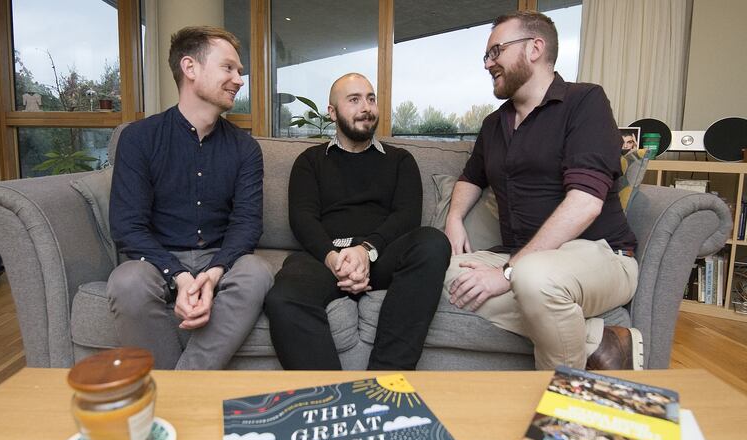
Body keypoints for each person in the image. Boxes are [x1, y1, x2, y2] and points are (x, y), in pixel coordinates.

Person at [443, 11, 643, 371]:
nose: (489, 63)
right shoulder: (494, 124)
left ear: (534, 48)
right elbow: (471, 177)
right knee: (431, 272)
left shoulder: (585, 102)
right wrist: (454, 219)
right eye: (487, 56)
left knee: (533, 277)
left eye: (496, 51)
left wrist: (506, 274)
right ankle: (597, 340)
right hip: (521, 256)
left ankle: (564, 401)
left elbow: (585, 204)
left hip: (601, 255)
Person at [107, 26, 273, 370]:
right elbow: (128, 226)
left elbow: (246, 225)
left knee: (257, 272)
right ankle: (185, 389)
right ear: (190, 68)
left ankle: (180, 386)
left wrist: (213, 274)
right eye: (229, 68)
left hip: (219, 257)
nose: (239, 80)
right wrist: (179, 275)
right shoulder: (139, 138)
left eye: (239, 71)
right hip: (155, 259)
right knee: (127, 281)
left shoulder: (245, 148)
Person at [264, 73, 451, 370]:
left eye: (371, 98)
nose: (366, 107)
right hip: (325, 258)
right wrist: (334, 260)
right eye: (354, 100)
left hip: (380, 256)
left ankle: (385, 380)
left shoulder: (400, 160)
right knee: (283, 298)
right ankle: (330, 397)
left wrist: (366, 251)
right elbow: (302, 219)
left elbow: (406, 217)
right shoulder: (310, 161)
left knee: (433, 242)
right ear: (332, 112)